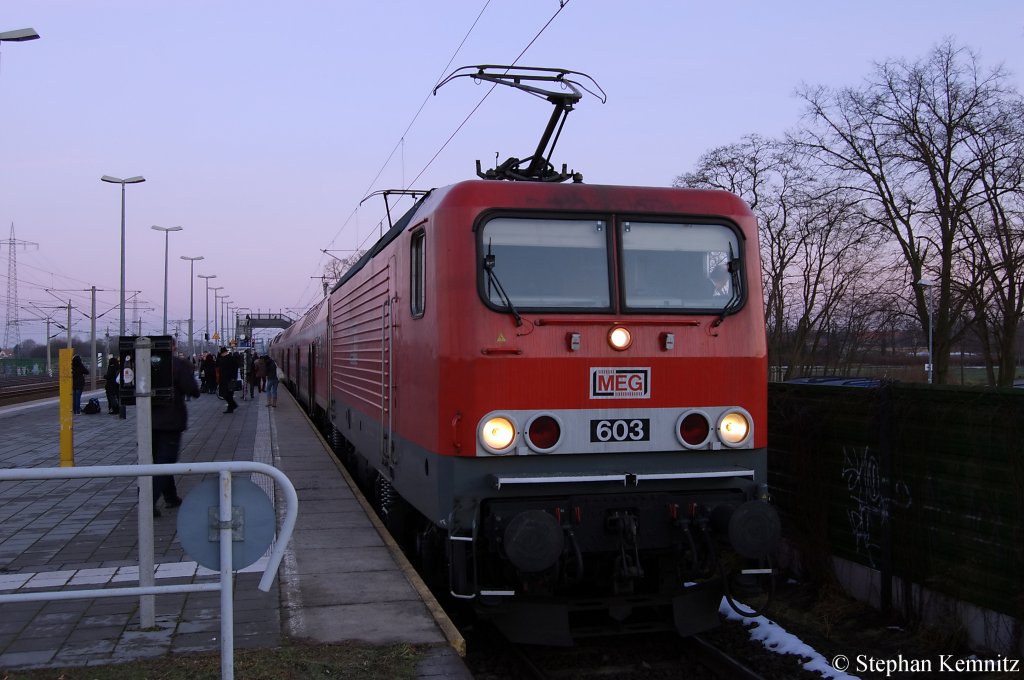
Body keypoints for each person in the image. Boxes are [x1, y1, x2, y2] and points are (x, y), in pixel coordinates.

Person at [151, 339, 201, 517]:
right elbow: (192, 390)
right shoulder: (177, 365)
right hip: (171, 421)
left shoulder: (144, 363)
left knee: (157, 460)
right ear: (173, 347)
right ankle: (148, 502)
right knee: (165, 462)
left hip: (148, 421)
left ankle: (171, 497)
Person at [217, 347, 239, 414]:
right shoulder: (226, 359)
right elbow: (217, 363)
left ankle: (232, 406)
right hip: (225, 379)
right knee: (227, 394)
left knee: (227, 394)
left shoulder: (230, 359)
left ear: (225, 352)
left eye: (222, 353)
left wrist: (233, 377)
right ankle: (231, 408)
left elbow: (234, 369)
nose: (221, 354)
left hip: (228, 379)